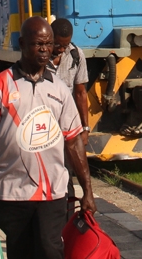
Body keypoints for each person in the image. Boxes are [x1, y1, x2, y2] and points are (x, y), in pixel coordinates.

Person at [0, 17, 95, 259]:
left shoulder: (59, 89)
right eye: (38, 44)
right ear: (22, 43)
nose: (44, 50)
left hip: (53, 192)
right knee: (21, 252)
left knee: (50, 248)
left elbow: (72, 141)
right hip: (12, 193)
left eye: (48, 44)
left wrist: (87, 189)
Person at [48, 18, 90, 202]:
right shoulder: (37, 57)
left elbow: (81, 93)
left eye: (65, 45)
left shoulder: (76, 55)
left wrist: (85, 128)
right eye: (57, 44)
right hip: (44, 126)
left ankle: (67, 210)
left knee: (67, 172)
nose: (61, 49)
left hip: (66, 127)